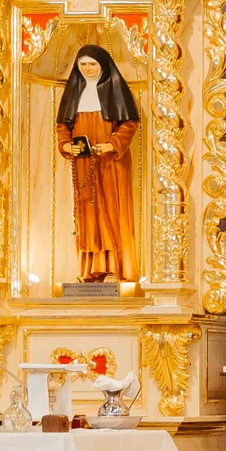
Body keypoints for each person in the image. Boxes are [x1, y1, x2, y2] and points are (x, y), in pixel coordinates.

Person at [55, 45, 141, 283]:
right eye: (83, 64)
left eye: (92, 64)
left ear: (102, 65)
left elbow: (129, 123)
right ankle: (90, 271)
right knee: (88, 215)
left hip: (111, 163)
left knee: (113, 213)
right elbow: (63, 126)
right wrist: (65, 145)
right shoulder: (74, 92)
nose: (87, 68)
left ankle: (116, 269)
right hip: (84, 164)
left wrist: (112, 144)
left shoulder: (114, 90)